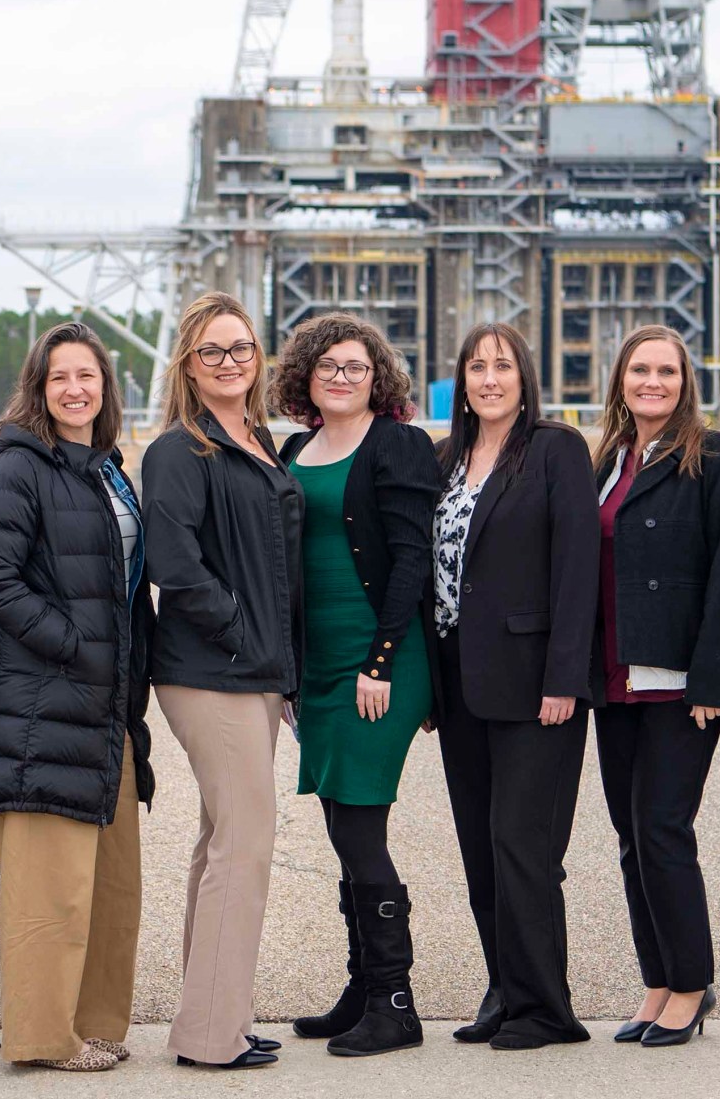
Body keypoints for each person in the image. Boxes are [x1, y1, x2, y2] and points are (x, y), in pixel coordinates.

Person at [0, 322, 155, 1073]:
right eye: (60, 378)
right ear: (39, 389)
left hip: (107, 708)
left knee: (112, 882)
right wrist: (74, 645)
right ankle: (44, 1037)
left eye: (89, 376)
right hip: (46, 699)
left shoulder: (107, 466)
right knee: (50, 890)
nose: (77, 389)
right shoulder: (20, 464)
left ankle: (96, 1021)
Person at [142, 291, 304, 1070]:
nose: (230, 361)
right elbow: (176, 566)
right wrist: (249, 638)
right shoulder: (179, 449)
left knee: (221, 843)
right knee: (246, 842)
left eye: (241, 347)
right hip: (214, 670)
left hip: (256, 669)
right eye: (212, 351)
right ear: (188, 364)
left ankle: (216, 1013)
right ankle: (210, 1035)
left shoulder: (259, 438)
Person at [430, 322, 599, 1052]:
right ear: (461, 380)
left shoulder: (556, 450)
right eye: (477, 366)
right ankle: (504, 988)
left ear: (524, 376)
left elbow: (577, 568)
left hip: (537, 686)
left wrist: (566, 675)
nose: (489, 378)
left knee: (522, 843)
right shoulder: (444, 459)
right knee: (479, 848)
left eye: (502, 365)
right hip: (461, 685)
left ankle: (545, 1008)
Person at [275, 314, 439, 1058]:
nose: (343, 376)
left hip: (383, 660)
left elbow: (411, 559)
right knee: (340, 826)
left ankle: (395, 1001)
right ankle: (361, 986)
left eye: (357, 367)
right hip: (319, 664)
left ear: (379, 378)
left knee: (362, 826)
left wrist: (378, 662)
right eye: (329, 366)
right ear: (306, 374)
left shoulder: (398, 444)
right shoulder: (292, 449)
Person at [587, 326, 720, 1049]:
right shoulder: (607, 459)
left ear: (687, 381)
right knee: (630, 837)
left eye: (667, 371)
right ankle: (657, 978)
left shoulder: (714, 456)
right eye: (640, 369)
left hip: (681, 679)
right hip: (615, 675)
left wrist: (716, 675)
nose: (653, 382)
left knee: (662, 829)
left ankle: (691, 983)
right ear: (620, 379)